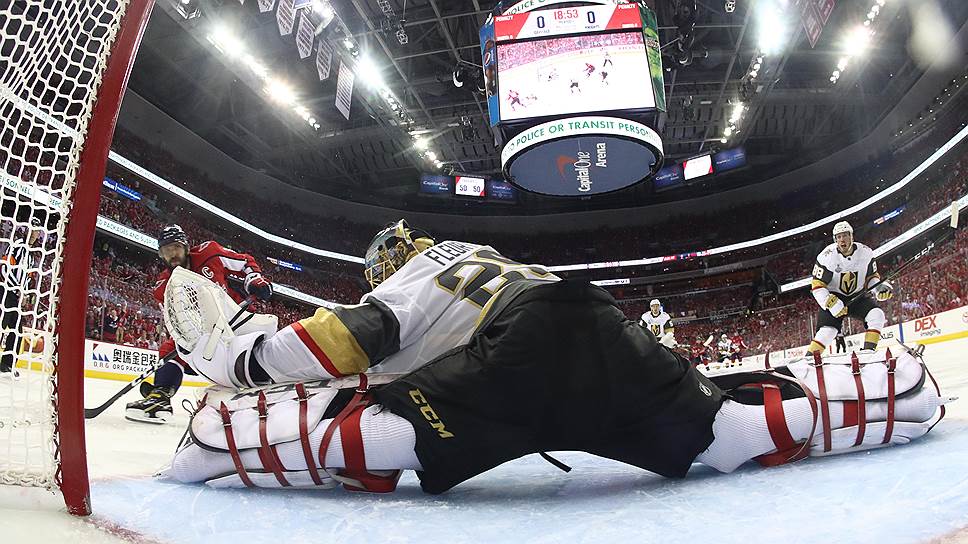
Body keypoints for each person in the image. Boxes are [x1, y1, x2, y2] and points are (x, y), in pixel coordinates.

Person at [162, 220, 946, 494]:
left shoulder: (417, 272)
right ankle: (893, 397)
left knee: (385, 433)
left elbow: (351, 338)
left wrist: (243, 359)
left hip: (517, 356)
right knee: (724, 433)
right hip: (591, 318)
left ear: (395, 258)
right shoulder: (489, 257)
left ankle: (215, 447)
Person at [124, 225, 274, 424]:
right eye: (167, 250)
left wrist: (254, 279)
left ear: (186, 247)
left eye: (176, 247)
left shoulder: (209, 253)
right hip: (206, 331)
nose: (173, 254)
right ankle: (160, 396)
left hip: (237, 317)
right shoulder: (163, 287)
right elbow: (176, 324)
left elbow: (245, 261)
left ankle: (273, 395)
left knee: (261, 361)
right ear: (160, 254)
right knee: (173, 346)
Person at [808, 221, 892, 354]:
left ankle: (868, 352)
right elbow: (817, 285)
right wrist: (829, 302)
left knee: (877, 315)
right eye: (839, 237)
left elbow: (871, 277)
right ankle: (809, 358)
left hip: (857, 296)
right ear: (835, 240)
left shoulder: (866, 253)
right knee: (828, 331)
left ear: (852, 236)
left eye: (845, 235)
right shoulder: (826, 257)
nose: (842, 239)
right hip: (834, 297)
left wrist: (878, 288)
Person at [0, 216, 43, 377]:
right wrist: (18, 289)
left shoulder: (31, 256)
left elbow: (27, 278)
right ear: (27, 230)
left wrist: (24, 292)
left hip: (16, 298)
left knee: (16, 331)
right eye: (32, 229)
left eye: (37, 231)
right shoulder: (17, 245)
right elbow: (4, 268)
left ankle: (7, 365)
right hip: (5, 293)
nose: (34, 233)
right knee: (1, 325)